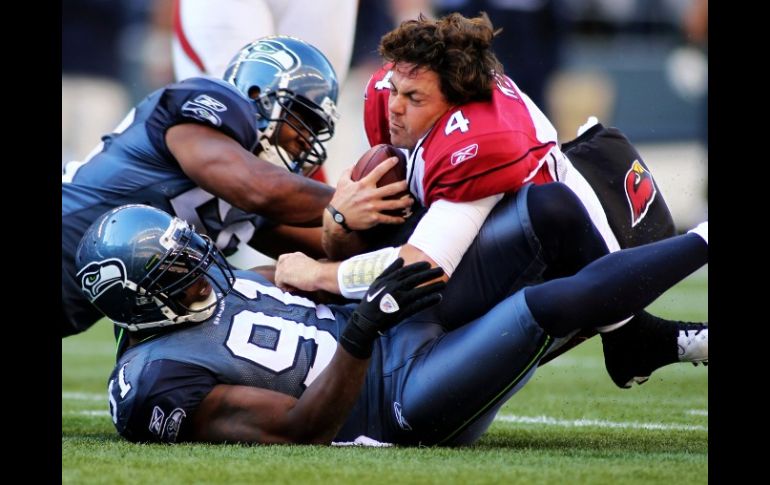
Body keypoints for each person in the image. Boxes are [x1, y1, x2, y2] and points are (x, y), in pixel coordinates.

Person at [78, 204, 708, 445]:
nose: (204, 271)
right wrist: (362, 332)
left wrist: (348, 250)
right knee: (547, 305)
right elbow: (302, 429)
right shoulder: (157, 381)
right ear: (141, 304)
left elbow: (307, 274)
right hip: (397, 400)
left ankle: (638, 343)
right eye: (180, 273)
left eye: (192, 254)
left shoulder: (208, 283)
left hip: (386, 325)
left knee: (547, 210)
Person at [274, 13, 688, 372]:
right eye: (395, 89)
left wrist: (317, 274)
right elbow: (348, 244)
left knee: (541, 209)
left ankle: (636, 329)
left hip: (562, 277)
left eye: (413, 97)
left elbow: (422, 269)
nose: (393, 106)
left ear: (456, 102)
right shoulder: (411, 99)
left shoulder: (475, 147)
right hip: (528, 254)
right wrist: (339, 219)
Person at [62, 35, 411, 338]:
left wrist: (411, 234)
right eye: (303, 120)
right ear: (259, 93)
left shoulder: (261, 199)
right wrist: (352, 200)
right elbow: (258, 189)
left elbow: (330, 250)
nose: (305, 143)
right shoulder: (204, 105)